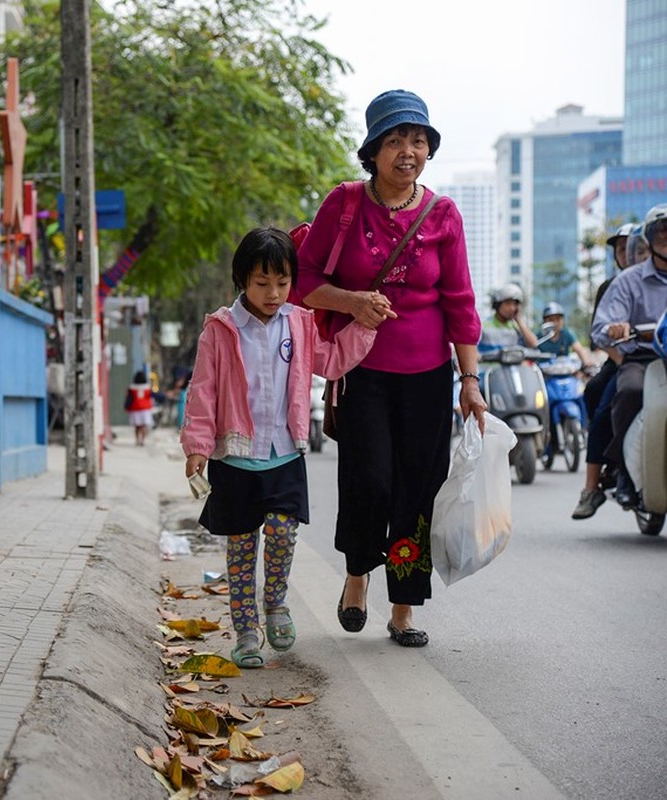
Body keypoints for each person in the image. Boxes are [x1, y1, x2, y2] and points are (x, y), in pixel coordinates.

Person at [295, 89, 486, 648]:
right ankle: (357, 575)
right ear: (374, 150)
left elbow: (461, 302)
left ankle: (403, 607)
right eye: (397, 140)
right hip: (362, 371)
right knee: (371, 479)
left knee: (416, 490)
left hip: (428, 376)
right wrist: (353, 301)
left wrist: (469, 381)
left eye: (418, 140)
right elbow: (304, 283)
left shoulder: (443, 213)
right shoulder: (345, 203)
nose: (408, 150)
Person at [180, 227, 376, 667]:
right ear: (242, 280)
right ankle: (246, 630)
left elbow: (330, 361)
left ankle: (276, 604)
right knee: (241, 547)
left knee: (284, 533)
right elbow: (204, 389)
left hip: (285, 452)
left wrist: (364, 326)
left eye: (283, 283)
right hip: (234, 456)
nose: (273, 293)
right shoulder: (221, 328)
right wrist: (196, 444)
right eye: (262, 282)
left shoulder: (300, 323)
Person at [589, 203, 667, 509]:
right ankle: (623, 471)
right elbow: (601, 326)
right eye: (660, 231)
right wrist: (615, 328)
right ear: (647, 237)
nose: (666, 237)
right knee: (630, 392)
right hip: (643, 359)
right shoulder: (628, 280)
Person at [574, 223, 636, 519]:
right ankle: (591, 486)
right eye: (622, 249)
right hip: (623, 360)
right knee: (599, 399)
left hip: (657, 360)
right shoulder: (611, 287)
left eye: (635, 247)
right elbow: (599, 334)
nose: (629, 254)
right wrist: (621, 359)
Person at [479, 283, 538, 355]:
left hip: (513, 366)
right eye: (508, 303)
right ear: (497, 305)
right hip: (488, 366)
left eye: (515, 304)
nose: (512, 308)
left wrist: (519, 321)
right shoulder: (484, 326)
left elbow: (534, 344)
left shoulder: (516, 328)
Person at [124, 370, 156, 446]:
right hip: (145, 409)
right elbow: (153, 396)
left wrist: (126, 407)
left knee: (137, 426)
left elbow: (129, 399)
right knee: (144, 426)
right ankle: (143, 440)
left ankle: (137, 440)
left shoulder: (131, 388)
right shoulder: (148, 387)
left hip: (135, 408)